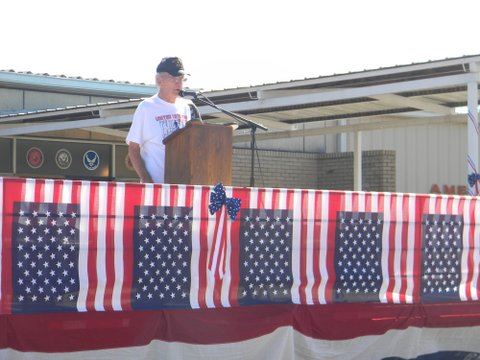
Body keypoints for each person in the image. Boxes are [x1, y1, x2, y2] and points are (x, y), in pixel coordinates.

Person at [126, 57, 194, 183]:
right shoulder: (146, 107)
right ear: (159, 80)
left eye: (181, 79)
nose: (178, 83)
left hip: (180, 187)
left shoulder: (186, 107)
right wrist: (146, 179)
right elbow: (133, 148)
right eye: (173, 78)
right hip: (155, 189)